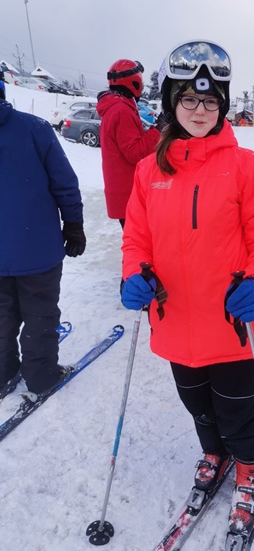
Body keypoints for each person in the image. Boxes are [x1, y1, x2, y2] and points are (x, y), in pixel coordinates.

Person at [120, 40, 254, 536]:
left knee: (237, 407)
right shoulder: (149, 171)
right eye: (189, 99)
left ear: (223, 106)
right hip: (173, 318)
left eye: (211, 101)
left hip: (229, 321)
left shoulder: (246, 166)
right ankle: (215, 452)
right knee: (197, 404)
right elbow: (137, 238)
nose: (200, 110)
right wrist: (134, 273)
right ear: (172, 102)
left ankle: (252, 463)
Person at [0, 85, 86, 401]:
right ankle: (41, 375)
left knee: (1, 316)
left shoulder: (34, 129)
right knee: (40, 314)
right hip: (36, 249)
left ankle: (3, 373)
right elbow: (64, 182)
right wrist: (73, 224)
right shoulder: (34, 128)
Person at [97, 59, 160, 229]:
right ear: (134, 82)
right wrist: (158, 130)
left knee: (136, 239)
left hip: (124, 190)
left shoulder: (117, 107)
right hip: (128, 192)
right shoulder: (121, 110)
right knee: (139, 241)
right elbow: (135, 152)